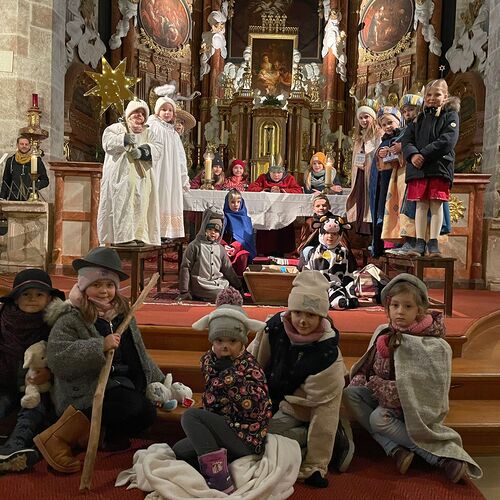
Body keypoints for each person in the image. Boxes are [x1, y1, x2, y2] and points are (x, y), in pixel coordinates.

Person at [34, 247, 165, 473]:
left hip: (119, 383)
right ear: (84, 286)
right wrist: (99, 346)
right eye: (96, 284)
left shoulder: (122, 314)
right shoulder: (71, 317)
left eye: (109, 285)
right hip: (84, 387)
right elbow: (58, 358)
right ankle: (56, 437)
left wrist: (159, 380)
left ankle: (99, 435)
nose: (104, 291)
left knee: (146, 413)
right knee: (130, 405)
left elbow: (138, 352)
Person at [343, 274, 482, 482]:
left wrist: (387, 391)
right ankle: (395, 448)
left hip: (409, 406)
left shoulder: (431, 344)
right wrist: (363, 381)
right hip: (383, 397)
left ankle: (439, 458)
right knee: (350, 395)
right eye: (395, 305)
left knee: (378, 419)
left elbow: (429, 386)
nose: (400, 311)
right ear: (387, 307)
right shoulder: (384, 331)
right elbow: (367, 366)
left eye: (407, 306)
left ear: (419, 310)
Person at [249, 271, 354, 488]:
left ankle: (333, 438)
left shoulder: (328, 357)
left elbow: (324, 413)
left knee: (265, 434)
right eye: (297, 312)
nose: (303, 321)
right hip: (270, 396)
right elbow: (253, 361)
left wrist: (315, 464)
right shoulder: (274, 328)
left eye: (311, 315)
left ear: (322, 316)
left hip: (299, 406)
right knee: (245, 428)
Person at [173, 287, 272, 494]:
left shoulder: (249, 367)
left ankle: (220, 480)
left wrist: (231, 376)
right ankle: (220, 460)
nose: (225, 347)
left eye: (232, 341)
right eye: (219, 341)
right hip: (224, 426)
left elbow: (253, 410)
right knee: (180, 451)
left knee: (190, 416)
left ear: (242, 341)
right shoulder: (209, 361)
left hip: (246, 435)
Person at [0, 270, 65, 473]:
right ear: (15, 298)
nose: (32, 299)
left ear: (49, 299)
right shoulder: (4, 320)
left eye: (39, 294)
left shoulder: (56, 324)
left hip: (39, 388)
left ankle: (14, 447)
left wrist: (51, 374)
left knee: (33, 410)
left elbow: (65, 355)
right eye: (26, 294)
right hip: (6, 383)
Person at [401, 79, 460, 257]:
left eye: (437, 95)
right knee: (420, 205)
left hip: (438, 167)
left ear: (445, 96)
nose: (432, 98)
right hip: (418, 169)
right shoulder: (419, 117)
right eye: (429, 95)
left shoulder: (450, 115)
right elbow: (407, 140)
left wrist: (424, 154)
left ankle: (433, 243)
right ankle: (420, 242)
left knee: (436, 204)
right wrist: (413, 155)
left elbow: (447, 140)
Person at [97, 99, 161, 247]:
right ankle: (123, 237)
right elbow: (107, 144)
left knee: (140, 205)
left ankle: (138, 235)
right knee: (122, 204)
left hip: (141, 178)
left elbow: (158, 149)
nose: (139, 115)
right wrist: (123, 139)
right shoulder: (116, 128)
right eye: (136, 112)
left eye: (142, 113)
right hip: (121, 177)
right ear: (128, 114)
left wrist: (143, 152)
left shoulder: (148, 132)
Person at [147, 96, 190, 241]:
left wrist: (183, 177)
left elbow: (181, 158)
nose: (167, 113)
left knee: (168, 196)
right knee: (156, 197)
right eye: (163, 109)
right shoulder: (152, 125)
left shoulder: (173, 133)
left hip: (171, 174)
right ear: (157, 111)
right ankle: (152, 230)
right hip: (157, 169)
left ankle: (165, 232)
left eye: (170, 110)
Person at [178, 206, 241, 302]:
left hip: (219, 282)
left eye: (216, 231)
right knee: (223, 295)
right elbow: (185, 267)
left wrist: (238, 286)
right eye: (210, 229)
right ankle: (203, 296)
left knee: (231, 292)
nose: (213, 233)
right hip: (201, 284)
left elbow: (228, 269)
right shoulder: (195, 246)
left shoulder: (220, 248)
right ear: (204, 229)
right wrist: (184, 291)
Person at [369, 106, 404, 257]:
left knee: (395, 211)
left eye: (390, 122)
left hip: (396, 180)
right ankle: (381, 244)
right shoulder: (383, 141)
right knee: (383, 211)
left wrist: (395, 152)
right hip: (383, 181)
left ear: (398, 121)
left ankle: (396, 242)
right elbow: (378, 164)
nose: (387, 126)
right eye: (384, 124)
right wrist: (380, 153)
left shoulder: (403, 137)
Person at [304, 215, 359, 310]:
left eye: (334, 234)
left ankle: (337, 301)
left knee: (339, 303)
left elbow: (349, 274)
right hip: (317, 288)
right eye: (327, 233)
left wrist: (351, 295)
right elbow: (307, 272)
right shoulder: (313, 252)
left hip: (335, 287)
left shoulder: (343, 252)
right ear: (321, 233)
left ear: (340, 235)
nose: (330, 236)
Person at [248, 162, 302, 256]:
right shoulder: (263, 178)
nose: (276, 175)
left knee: (283, 237)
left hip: (284, 213)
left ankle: (284, 253)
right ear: (269, 172)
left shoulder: (289, 178)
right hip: (267, 213)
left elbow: (298, 191)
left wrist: (282, 190)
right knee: (267, 238)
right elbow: (251, 188)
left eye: (279, 173)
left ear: (283, 172)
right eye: (273, 173)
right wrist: (266, 190)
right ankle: (264, 254)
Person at [346, 105, 382, 236]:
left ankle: (373, 232)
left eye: (366, 117)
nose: (363, 120)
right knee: (361, 200)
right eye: (360, 118)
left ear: (373, 118)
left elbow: (378, 154)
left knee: (371, 201)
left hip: (373, 174)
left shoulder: (379, 134)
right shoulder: (359, 137)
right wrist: (358, 164)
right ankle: (363, 232)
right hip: (360, 174)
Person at [0, 135, 49, 201]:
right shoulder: (11, 160)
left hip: (31, 199)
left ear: (29, 146)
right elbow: (6, 181)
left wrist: (34, 187)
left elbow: (45, 180)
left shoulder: (36, 160)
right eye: (22, 144)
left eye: (26, 144)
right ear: (17, 145)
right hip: (13, 199)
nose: (24, 146)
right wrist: (2, 197)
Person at [222, 189, 256, 277]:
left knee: (242, 255)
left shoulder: (245, 219)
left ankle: (241, 280)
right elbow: (219, 236)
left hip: (240, 248)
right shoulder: (224, 217)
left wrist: (235, 247)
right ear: (227, 203)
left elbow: (247, 239)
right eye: (232, 202)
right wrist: (224, 246)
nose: (236, 205)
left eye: (238, 202)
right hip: (226, 248)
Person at [295, 193, 334, 266]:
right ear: (313, 208)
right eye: (318, 206)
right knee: (306, 251)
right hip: (314, 248)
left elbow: (342, 240)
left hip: (332, 247)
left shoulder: (334, 221)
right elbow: (305, 240)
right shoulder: (309, 222)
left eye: (324, 205)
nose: (321, 208)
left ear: (329, 206)